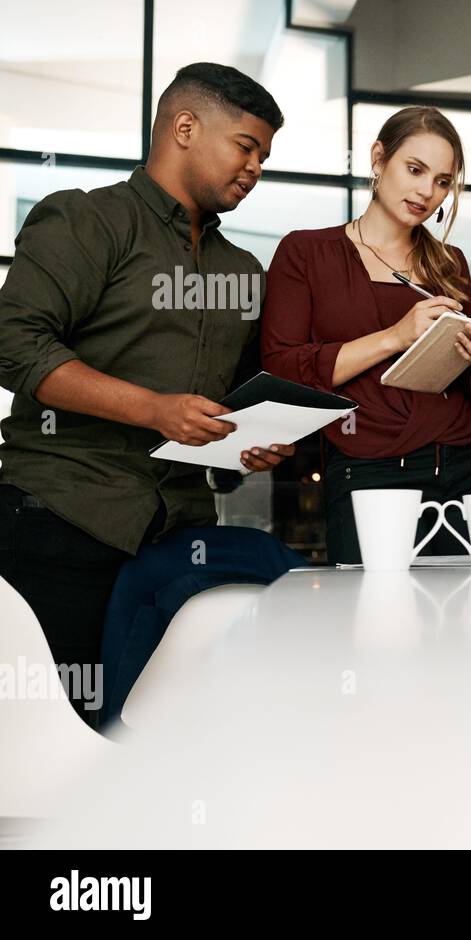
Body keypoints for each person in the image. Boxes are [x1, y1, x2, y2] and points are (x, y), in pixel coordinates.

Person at [0, 63, 295, 728]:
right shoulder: (86, 221)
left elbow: (224, 409)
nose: (254, 169)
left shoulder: (242, 272)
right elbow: (14, 344)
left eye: (265, 158)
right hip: (62, 520)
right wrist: (154, 410)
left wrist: (242, 446)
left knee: (162, 734)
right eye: (245, 147)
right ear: (184, 128)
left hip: (179, 541)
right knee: (57, 734)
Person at [260, 107, 471, 564]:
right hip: (368, 472)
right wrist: (396, 336)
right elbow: (283, 370)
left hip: (466, 463)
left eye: (442, 181)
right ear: (378, 159)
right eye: (415, 170)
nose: (427, 192)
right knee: (380, 622)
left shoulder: (450, 263)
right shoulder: (305, 252)